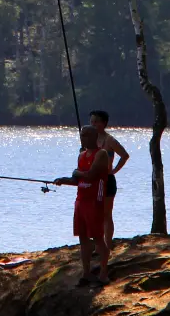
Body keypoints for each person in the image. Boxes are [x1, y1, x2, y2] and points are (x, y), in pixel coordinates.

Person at [53, 125, 111, 285]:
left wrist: (76, 172)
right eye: (81, 135)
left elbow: (91, 176)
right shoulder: (81, 156)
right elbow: (78, 180)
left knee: (98, 238)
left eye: (86, 135)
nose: (83, 138)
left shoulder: (102, 154)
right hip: (81, 200)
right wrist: (64, 180)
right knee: (83, 238)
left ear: (94, 137)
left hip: (95, 201)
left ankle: (104, 273)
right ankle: (86, 274)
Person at [91, 108, 129, 251]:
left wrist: (114, 170)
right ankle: (97, 243)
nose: (93, 125)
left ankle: (107, 244)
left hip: (107, 180)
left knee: (106, 214)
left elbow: (124, 155)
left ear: (104, 123)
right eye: (92, 122)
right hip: (93, 180)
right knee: (94, 213)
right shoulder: (89, 140)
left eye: (96, 122)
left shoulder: (109, 140)